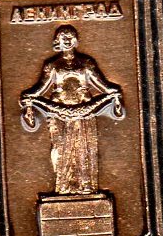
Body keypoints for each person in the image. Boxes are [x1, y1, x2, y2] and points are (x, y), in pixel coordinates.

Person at [19, 25, 124, 195]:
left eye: (70, 37)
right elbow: (40, 89)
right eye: (63, 38)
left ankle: (86, 186)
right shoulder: (53, 65)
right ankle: (64, 187)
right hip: (59, 113)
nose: (67, 41)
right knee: (61, 148)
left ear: (75, 40)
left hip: (84, 112)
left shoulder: (86, 63)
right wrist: (27, 97)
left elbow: (104, 86)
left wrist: (115, 93)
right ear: (57, 41)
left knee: (84, 148)